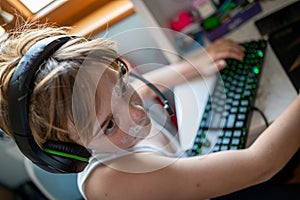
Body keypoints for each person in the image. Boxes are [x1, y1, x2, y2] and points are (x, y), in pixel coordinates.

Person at [0, 23, 299, 200]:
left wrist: (196, 65)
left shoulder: (112, 114)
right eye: (108, 125)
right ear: (68, 153)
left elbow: (139, 90)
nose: (136, 114)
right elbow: (261, 165)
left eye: (122, 88)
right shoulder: (108, 182)